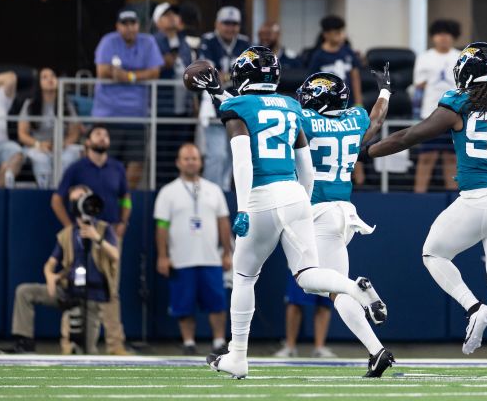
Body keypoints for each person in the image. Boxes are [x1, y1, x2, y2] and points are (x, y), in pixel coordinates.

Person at [189, 47, 388, 379]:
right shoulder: (292, 107)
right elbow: (305, 166)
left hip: (261, 196)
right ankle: (355, 289)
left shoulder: (238, 106)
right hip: (298, 197)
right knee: (308, 275)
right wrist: (302, 202)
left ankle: (238, 356)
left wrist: (242, 208)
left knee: (244, 277)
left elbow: (241, 158)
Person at [361, 43, 487, 379]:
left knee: (433, 254)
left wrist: (368, 153)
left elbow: (410, 136)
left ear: (467, 71)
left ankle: (474, 308)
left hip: (477, 199)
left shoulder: (458, 102)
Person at [287, 67, 395, 372]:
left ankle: (358, 288)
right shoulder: (355, 117)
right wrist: (385, 91)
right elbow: (376, 120)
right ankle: (377, 351)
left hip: (316, 209)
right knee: (335, 291)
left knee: (307, 280)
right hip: (344, 212)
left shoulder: (304, 119)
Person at [2, 184, 120, 355]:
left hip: (92, 296)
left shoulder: (103, 229)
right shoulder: (67, 234)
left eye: (83, 198)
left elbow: (115, 255)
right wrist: (50, 277)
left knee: (86, 350)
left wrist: (97, 238)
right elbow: (50, 263)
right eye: (76, 200)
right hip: (69, 291)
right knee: (25, 292)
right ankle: (24, 342)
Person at [52, 125, 133, 356]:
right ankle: (70, 344)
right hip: (82, 236)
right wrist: (70, 228)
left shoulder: (117, 168)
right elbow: (57, 200)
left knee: (111, 290)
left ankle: (115, 345)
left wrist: (123, 222)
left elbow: (126, 198)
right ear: (87, 141)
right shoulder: (77, 168)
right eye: (98, 134)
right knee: (75, 288)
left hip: (107, 236)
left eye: (106, 134)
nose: (103, 137)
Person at [154, 142, 232, 356]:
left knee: (217, 303)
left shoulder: (214, 190)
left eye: (194, 158)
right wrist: (162, 255)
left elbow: (223, 222)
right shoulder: (168, 192)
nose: (190, 162)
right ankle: (188, 342)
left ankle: (218, 341)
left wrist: (227, 252)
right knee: (183, 305)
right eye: (186, 158)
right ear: (178, 163)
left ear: (201, 162)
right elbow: (161, 226)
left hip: (211, 258)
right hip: (181, 259)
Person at [93, 8, 164, 190]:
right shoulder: (108, 41)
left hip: (137, 114)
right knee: (107, 160)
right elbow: (102, 71)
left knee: (137, 161)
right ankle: (108, 193)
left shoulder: (147, 42)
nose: (129, 28)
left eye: (132, 23)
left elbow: (155, 72)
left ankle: (124, 194)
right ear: (118, 26)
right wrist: (136, 74)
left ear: (138, 25)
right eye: (124, 24)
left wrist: (128, 76)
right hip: (109, 114)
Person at [197, 6, 252, 191]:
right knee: (217, 154)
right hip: (215, 107)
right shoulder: (208, 40)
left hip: (239, 109)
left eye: (234, 24)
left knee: (234, 155)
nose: (230, 28)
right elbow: (209, 74)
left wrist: (226, 76)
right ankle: (210, 194)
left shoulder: (244, 43)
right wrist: (232, 76)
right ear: (217, 24)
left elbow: (250, 74)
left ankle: (224, 193)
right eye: (226, 23)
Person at [411, 20, 461, 193]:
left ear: (453, 37)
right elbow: (419, 87)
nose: (443, 38)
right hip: (430, 114)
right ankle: (419, 196)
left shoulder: (460, 56)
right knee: (426, 157)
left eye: (447, 34)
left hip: (456, 115)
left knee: (451, 158)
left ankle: (453, 197)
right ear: (433, 37)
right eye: (439, 34)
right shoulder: (424, 58)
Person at [17, 67, 85, 189]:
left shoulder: (67, 104)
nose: (50, 79)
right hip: (38, 146)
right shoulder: (30, 104)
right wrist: (39, 144)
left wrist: (62, 144)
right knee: (40, 159)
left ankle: (61, 190)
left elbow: (74, 133)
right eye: (45, 77)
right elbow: (22, 134)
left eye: (53, 76)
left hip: (62, 145)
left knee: (66, 158)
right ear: (39, 83)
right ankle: (46, 191)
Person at [303, 16, 365, 104]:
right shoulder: (318, 56)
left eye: (342, 32)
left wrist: (358, 102)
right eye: (337, 33)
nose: (341, 36)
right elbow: (313, 82)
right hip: (327, 104)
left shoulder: (348, 51)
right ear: (326, 35)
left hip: (348, 102)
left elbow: (355, 77)